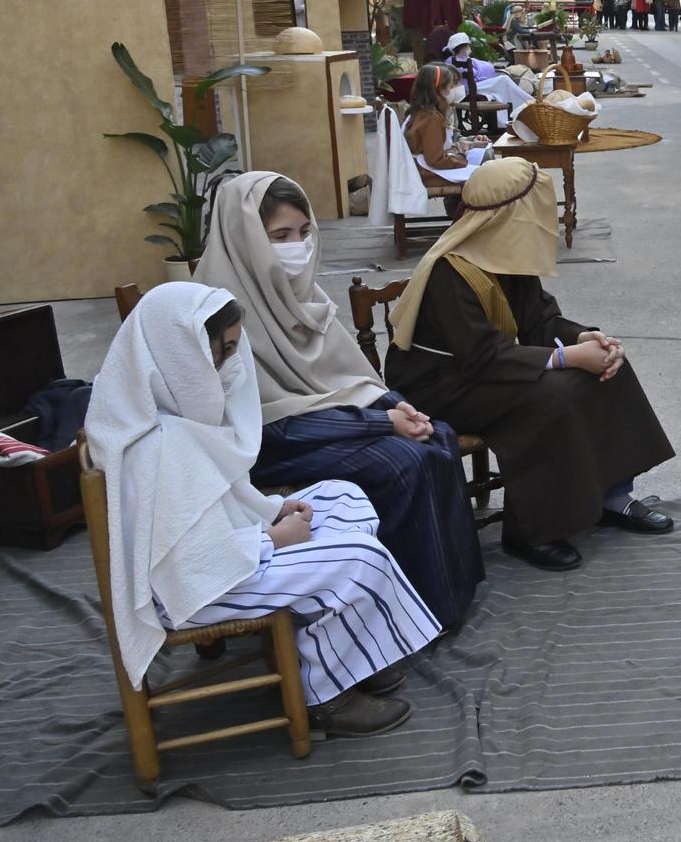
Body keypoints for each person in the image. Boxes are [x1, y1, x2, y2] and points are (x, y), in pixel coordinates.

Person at [87, 283, 439, 737]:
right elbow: (187, 562)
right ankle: (326, 694)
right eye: (225, 350)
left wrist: (270, 510)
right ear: (184, 354)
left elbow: (210, 501)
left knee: (341, 495)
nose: (233, 363)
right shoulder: (158, 445)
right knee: (359, 559)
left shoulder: (156, 415)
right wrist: (272, 538)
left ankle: (348, 650)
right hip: (196, 591)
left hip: (221, 560)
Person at [194, 174, 484, 629]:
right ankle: (395, 613)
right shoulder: (217, 315)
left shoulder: (300, 296)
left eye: (304, 233)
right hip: (265, 447)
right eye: (280, 236)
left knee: (436, 435)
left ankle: (446, 596)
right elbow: (262, 426)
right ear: (244, 237)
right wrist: (380, 424)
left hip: (317, 422)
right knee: (399, 463)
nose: (298, 247)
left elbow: (348, 375)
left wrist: (398, 406)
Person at [383, 158, 678, 572]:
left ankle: (612, 496)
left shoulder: (504, 253)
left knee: (611, 367)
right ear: (509, 214)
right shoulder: (448, 273)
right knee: (552, 394)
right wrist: (567, 358)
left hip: (483, 372)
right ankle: (531, 532)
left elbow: (540, 320)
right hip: (439, 386)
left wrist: (584, 339)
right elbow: (482, 356)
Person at [403, 64, 488, 187]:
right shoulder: (430, 117)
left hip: (421, 169)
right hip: (427, 173)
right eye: (450, 86)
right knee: (486, 172)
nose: (452, 90)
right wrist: (461, 158)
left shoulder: (419, 111)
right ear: (440, 90)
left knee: (482, 162)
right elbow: (435, 159)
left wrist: (464, 145)